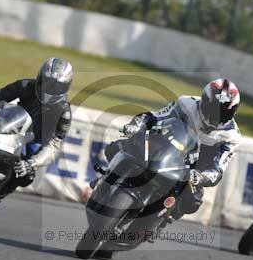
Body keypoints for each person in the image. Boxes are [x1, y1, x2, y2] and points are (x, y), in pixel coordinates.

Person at [102, 78, 242, 220]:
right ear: (204, 101)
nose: (215, 117)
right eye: (212, 110)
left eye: (223, 113)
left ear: (233, 112)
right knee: (116, 147)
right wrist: (137, 124)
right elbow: (156, 117)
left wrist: (200, 176)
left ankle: (166, 217)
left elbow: (217, 170)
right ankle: (105, 180)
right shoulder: (186, 103)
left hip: (191, 170)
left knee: (193, 201)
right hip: (165, 149)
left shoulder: (231, 137)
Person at [0, 57, 73, 220]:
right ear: (39, 77)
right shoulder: (26, 85)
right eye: (47, 82)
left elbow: (55, 143)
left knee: (25, 175)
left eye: (57, 86)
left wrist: (32, 163)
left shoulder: (64, 112)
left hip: (34, 139)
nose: (50, 89)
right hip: (8, 122)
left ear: (66, 87)